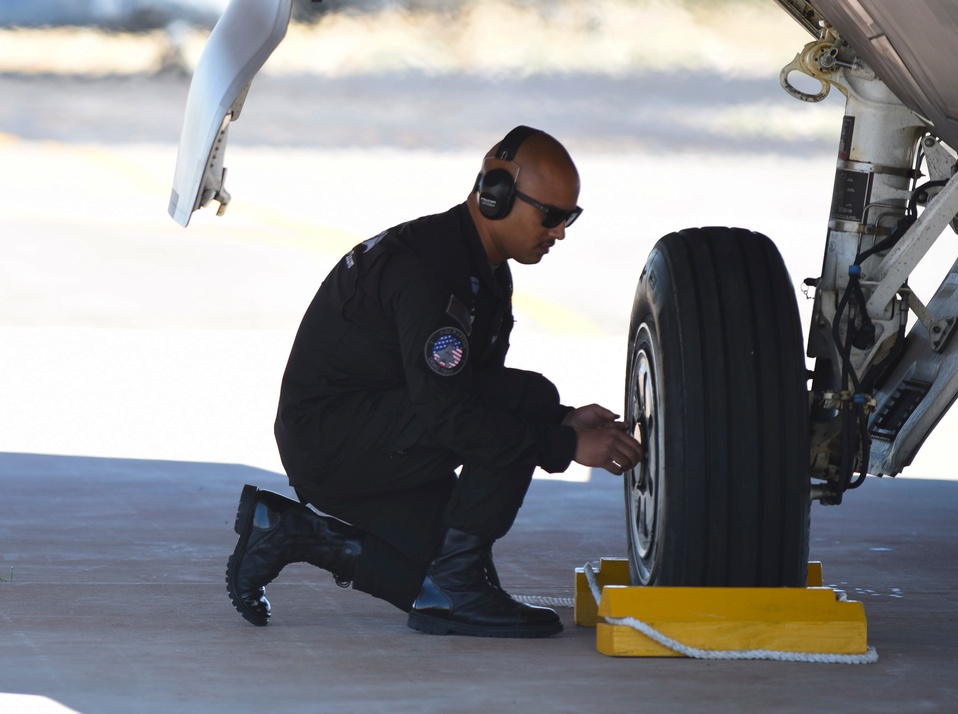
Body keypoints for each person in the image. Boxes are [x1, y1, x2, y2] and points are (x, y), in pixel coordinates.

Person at [225, 125, 644, 638]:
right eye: (551, 216)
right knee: (527, 398)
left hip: (376, 432)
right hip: (338, 444)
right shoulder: (431, 270)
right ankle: (461, 582)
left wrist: (561, 421)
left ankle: (291, 533)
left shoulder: (478, 265)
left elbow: (471, 387)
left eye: (569, 217)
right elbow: (453, 414)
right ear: (495, 197)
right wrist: (565, 442)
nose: (560, 233)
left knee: (435, 590)